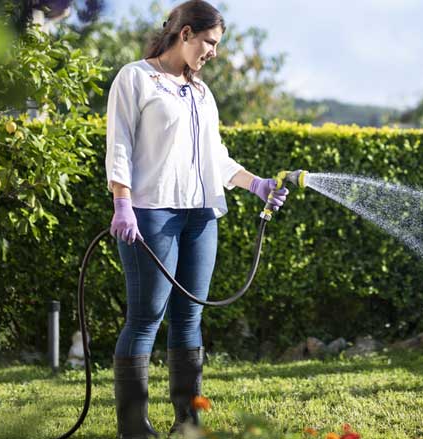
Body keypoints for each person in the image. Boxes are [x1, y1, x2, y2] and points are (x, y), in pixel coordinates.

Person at [104, 1, 288, 437]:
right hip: (151, 213)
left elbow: (216, 158)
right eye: (209, 42)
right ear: (184, 34)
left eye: (217, 45)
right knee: (147, 314)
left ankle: (187, 421)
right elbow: (120, 146)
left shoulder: (202, 93)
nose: (214, 52)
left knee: (189, 317)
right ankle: (134, 427)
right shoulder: (136, 78)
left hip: (201, 215)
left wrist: (255, 183)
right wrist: (122, 201)